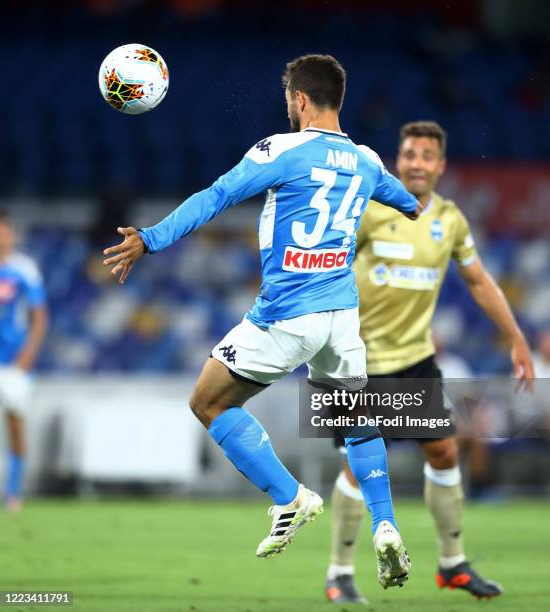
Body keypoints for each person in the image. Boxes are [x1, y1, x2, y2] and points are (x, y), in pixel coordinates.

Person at [103, 54, 421, 588]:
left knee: (208, 400)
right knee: (358, 417)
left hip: (286, 315)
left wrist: (150, 238)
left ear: (299, 100)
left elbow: (218, 195)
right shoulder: (366, 160)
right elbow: (408, 204)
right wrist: (407, 202)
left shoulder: (280, 149)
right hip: (341, 317)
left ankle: (290, 497)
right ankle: (385, 523)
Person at [325, 121, 534, 604]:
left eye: (426, 156)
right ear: (398, 161)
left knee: (443, 451)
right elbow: (327, 263)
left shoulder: (451, 219)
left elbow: (480, 281)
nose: (417, 163)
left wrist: (516, 337)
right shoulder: (370, 211)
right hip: (356, 361)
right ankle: (339, 573)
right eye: (410, 154)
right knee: (360, 470)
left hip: (415, 359)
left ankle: (452, 565)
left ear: (441, 166)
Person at [0, 211, 47, 512]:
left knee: (15, 422)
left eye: (3, 230)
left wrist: (29, 353)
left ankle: (13, 492)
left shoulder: (24, 269)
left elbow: (39, 316)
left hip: (14, 361)